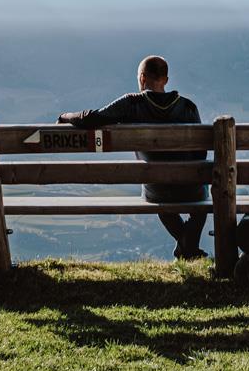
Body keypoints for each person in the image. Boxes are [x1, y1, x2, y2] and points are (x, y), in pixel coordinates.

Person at [57, 55, 209, 260]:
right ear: (165, 79)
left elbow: (92, 118)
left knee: (158, 194)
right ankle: (188, 247)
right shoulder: (189, 107)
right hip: (191, 190)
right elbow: (201, 153)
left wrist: (65, 116)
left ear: (143, 78)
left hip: (157, 189)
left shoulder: (131, 104)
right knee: (201, 201)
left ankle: (187, 247)